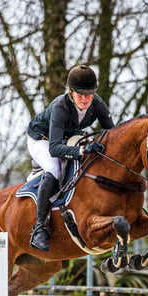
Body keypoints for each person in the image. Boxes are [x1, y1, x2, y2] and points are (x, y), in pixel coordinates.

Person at [26, 64, 115, 251]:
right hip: (42, 139)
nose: (85, 99)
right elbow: (55, 149)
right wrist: (83, 150)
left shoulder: (97, 103)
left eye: (89, 94)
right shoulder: (60, 106)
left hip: (69, 138)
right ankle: (40, 227)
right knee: (54, 169)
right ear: (70, 92)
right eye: (80, 94)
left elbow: (111, 133)